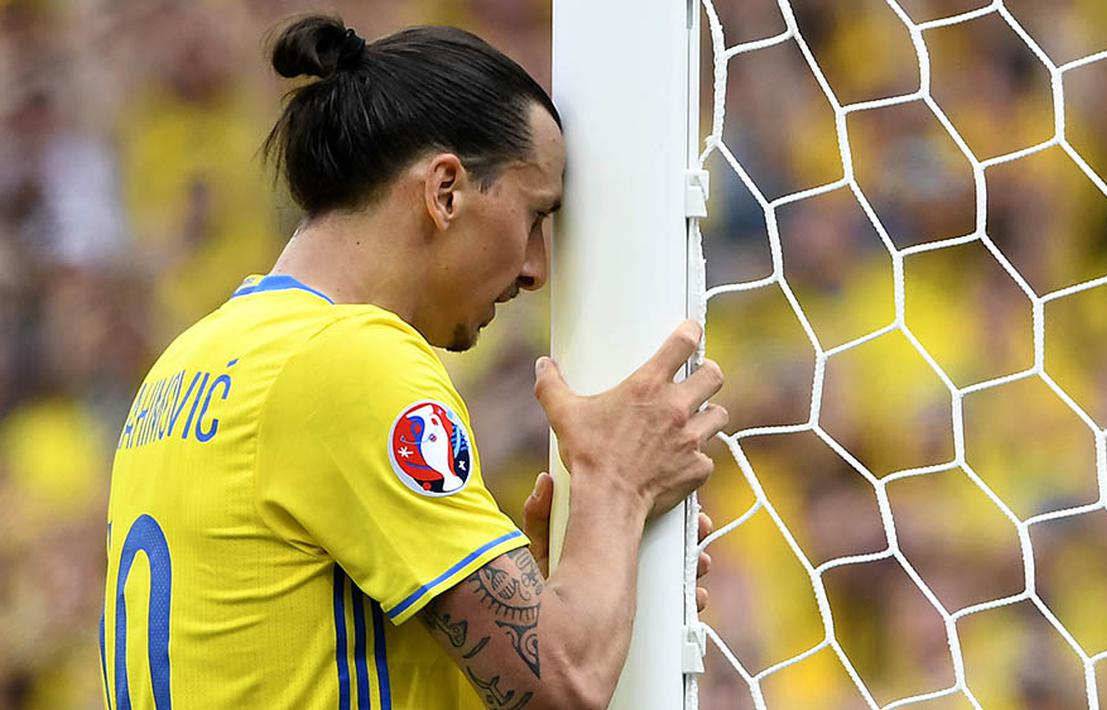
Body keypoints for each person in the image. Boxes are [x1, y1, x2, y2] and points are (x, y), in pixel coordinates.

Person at [99, 15, 727, 710]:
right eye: (535, 216)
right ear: (445, 190)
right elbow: (562, 684)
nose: (536, 268)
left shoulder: (187, 363)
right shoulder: (347, 359)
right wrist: (617, 484)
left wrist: (549, 590)